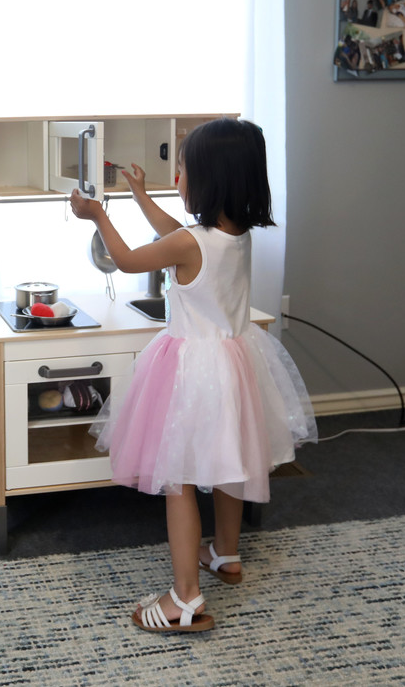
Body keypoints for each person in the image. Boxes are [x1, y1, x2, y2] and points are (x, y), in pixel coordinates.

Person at [69, 119, 316, 634]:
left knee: (177, 478)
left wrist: (98, 215)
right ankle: (225, 553)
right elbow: (176, 236)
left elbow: (127, 259)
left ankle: (185, 598)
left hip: (190, 374)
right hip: (235, 364)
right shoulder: (236, 234)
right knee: (229, 463)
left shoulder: (191, 243)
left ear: (210, 180)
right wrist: (140, 196)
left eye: (182, 172)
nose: (177, 181)